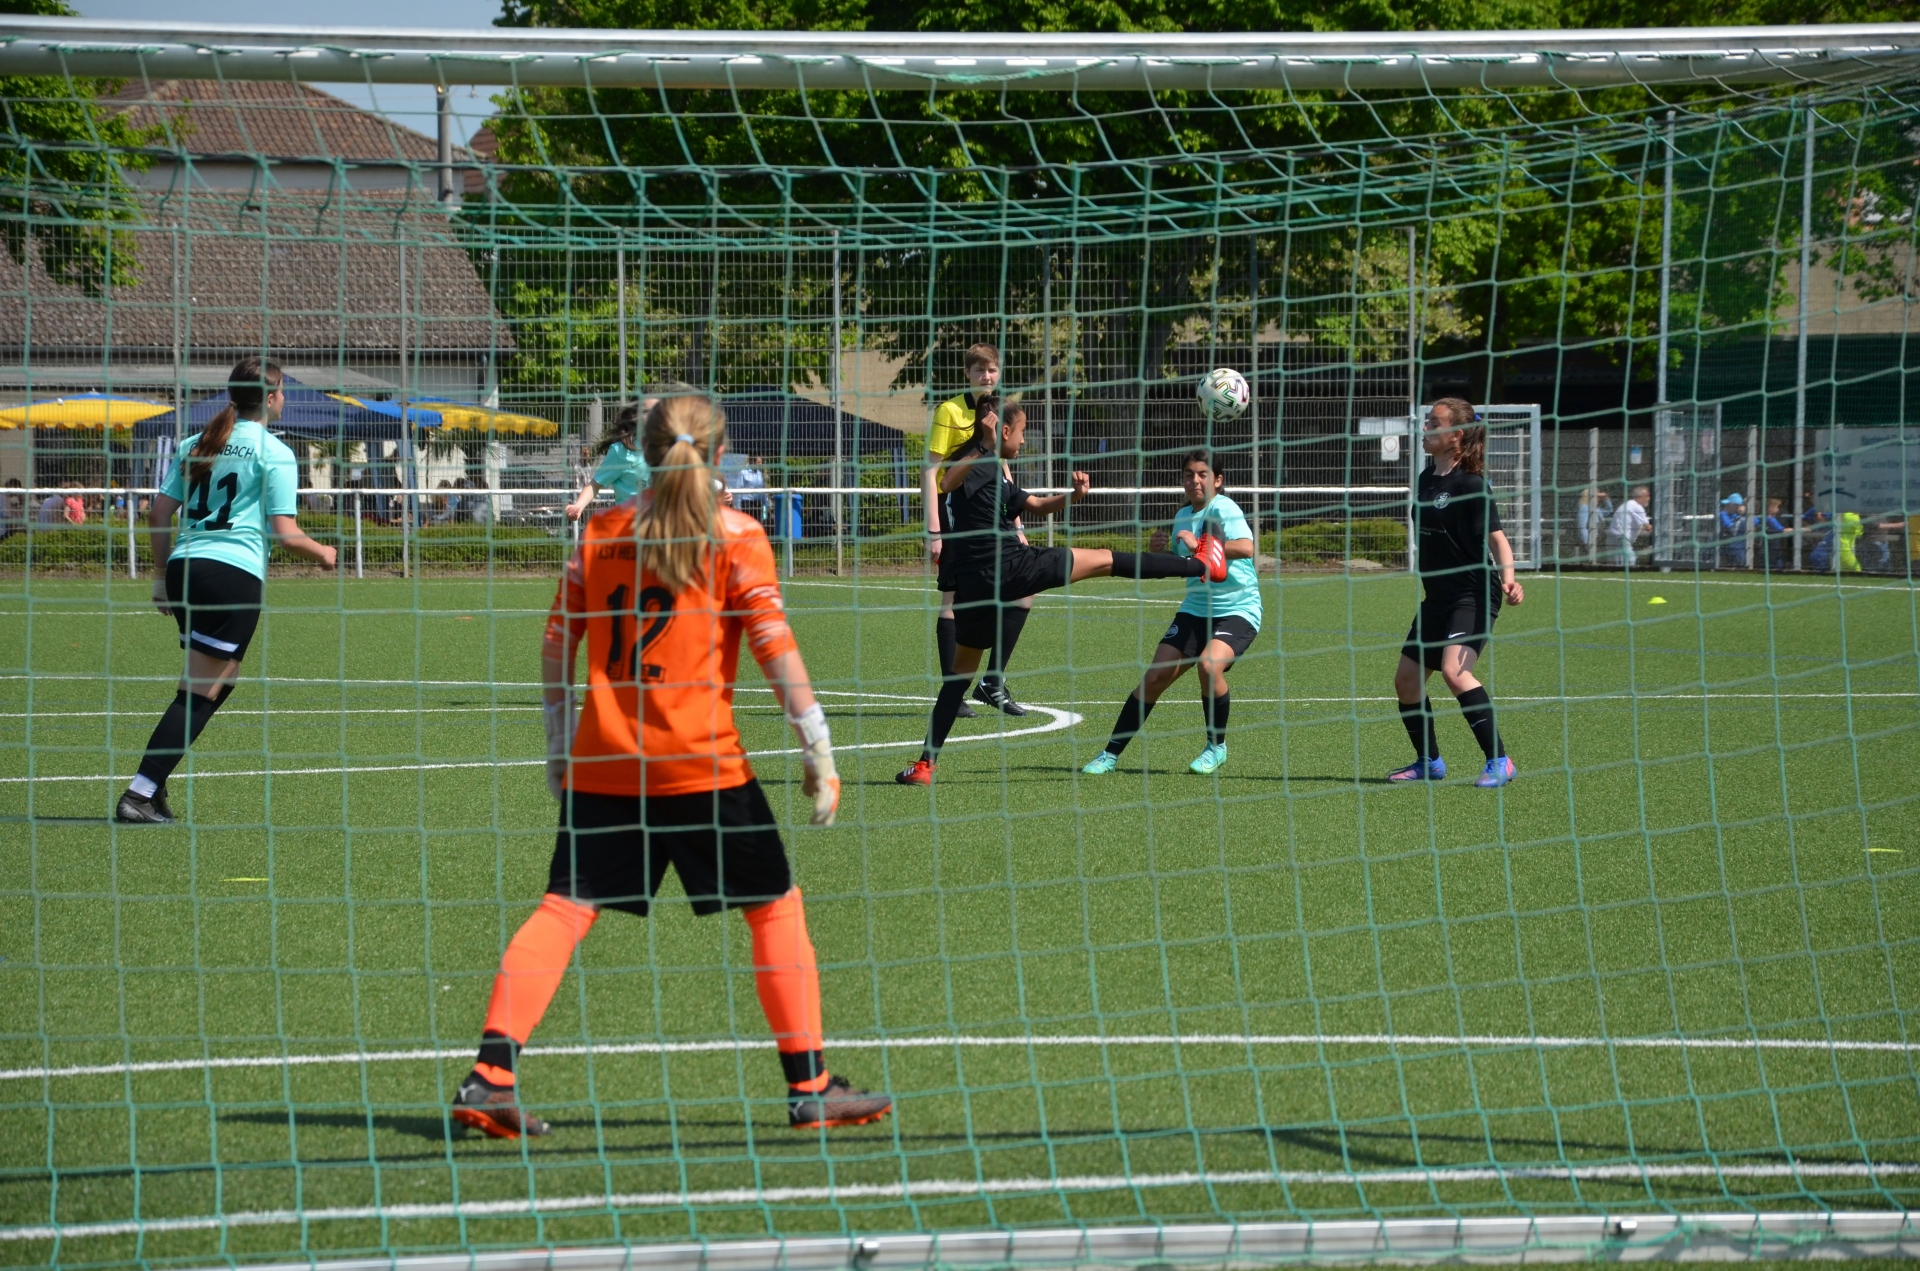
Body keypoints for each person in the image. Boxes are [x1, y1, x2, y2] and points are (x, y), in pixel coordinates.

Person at [450, 392, 891, 1140]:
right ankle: (810, 1087)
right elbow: (774, 647)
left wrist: (559, 745)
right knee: (774, 907)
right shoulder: (736, 534)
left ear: (641, 453)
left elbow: (558, 642)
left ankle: (490, 1077)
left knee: (565, 907)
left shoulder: (601, 532)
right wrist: (817, 746)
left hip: (605, 761)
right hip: (701, 765)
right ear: (719, 455)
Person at [895, 394, 1226, 786]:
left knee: (957, 678)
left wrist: (1073, 497)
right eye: (1021, 431)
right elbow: (947, 480)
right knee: (1105, 560)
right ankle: (1202, 564)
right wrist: (984, 445)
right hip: (1010, 568)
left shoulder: (993, 470)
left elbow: (1034, 504)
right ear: (1002, 430)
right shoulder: (979, 462)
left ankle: (925, 764)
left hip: (973, 587)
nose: (1023, 440)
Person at [115, 357, 338, 824]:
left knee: (220, 680)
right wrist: (323, 552)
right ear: (271, 398)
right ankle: (141, 792)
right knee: (199, 688)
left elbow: (159, 513)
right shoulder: (274, 451)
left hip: (185, 568)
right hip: (230, 575)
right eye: (283, 390)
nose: (285, 398)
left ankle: (154, 785)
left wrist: (159, 577)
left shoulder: (197, 442)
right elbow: (285, 535)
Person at [1082, 448, 1260, 777]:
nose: (1195, 480)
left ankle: (1216, 746)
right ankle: (1110, 754)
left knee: (1209, 666)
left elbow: (1246, 547)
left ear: (1218, 480)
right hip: (1195, 609)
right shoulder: (1182, 516)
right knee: (1155, 677)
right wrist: (1160, 552)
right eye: (1189, 474)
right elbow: (1185, 562)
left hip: (1237, 609)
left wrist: (1201, 545)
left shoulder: (1224, 507)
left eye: (1203, 474)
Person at [1389, 398, 1525, 789]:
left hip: (1473, 593)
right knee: (1406, 681)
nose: (1425, 428)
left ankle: (1500, 760)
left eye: (1434, 423)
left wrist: (1510, 578)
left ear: (1456, 435)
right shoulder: (1425, 478)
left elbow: (1497, 540)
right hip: (1437, 597)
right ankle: (1429, 762)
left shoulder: (1471, 484)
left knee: (1455, 671)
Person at [923, 344, 1013, 720]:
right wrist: (933, 529)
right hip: (955, 514)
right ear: (967, 374)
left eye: (991, 370)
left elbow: (1004, 466)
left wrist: (1017, 523)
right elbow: (931, 470)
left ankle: (992, 680)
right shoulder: (949, 411)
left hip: (991, 514)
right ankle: (954, 693)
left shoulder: (1002, 409)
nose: (986, 376)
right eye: (979, 370)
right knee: (953, 597)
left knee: (1019, 587)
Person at [565, 398, 656, 521]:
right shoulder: (620, 452)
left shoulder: (670, 448)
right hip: (630, 525)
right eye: (647, 411)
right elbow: (595, 485)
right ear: (635, 416)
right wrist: (578, 506)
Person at [1608, 486, 1651, 569]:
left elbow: (1638, 525)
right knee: (1630, 562)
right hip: (1620, 538)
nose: (1648, 499)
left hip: (1613, 537)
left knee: (1619, 565)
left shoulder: (1629, 504)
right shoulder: (1637, 507)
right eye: (1647, 496)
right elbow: (1647, 527)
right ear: (1639, 497)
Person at [1718, 492, 1747, 569]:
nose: (1738, 508)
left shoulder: (1734, 515)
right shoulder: (1723, 514)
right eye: (1738, 506)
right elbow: (1730, 527)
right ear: (1732, 505)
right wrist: (1742, 515)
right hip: (1727, 545)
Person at [1763, 497, 1790, 571]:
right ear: (1770, 508)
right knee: (1776, 562)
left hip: (1769, 547)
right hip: (1773, 547)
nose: (1778, 509)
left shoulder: (1762, 517)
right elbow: (1782, 530)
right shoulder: (1770, 519)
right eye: (1777, 507)